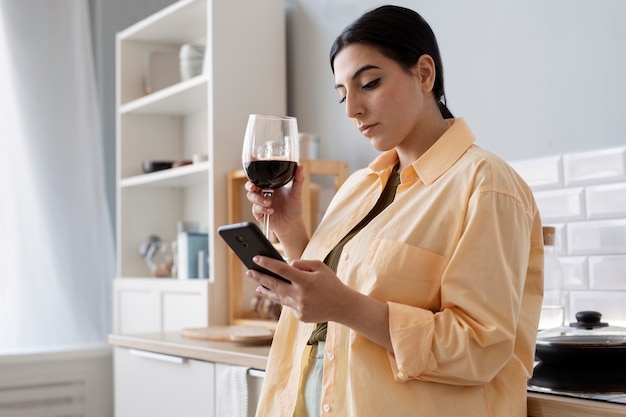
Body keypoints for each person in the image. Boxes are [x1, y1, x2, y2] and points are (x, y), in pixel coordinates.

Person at [245, 5, 543, 417]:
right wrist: (293, 231)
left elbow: (479, 347)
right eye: (342, 95)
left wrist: (348, 307)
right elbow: (325, 308)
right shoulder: (358, 186)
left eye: (369, 83)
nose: (352, 110)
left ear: (424, 74)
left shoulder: (487, 184)